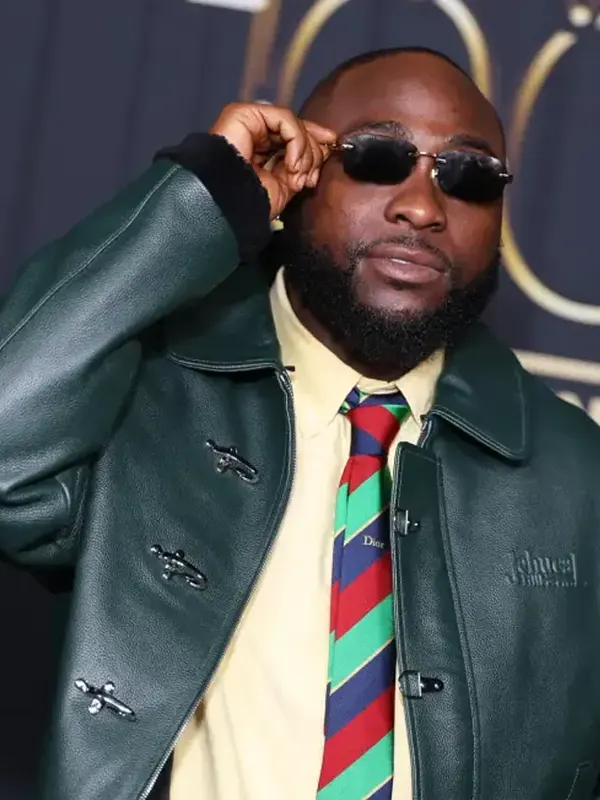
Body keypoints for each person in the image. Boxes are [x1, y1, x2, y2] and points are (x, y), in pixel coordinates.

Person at [0, 45, 599, 800]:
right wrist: (206, 200)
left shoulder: (578, 475)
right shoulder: (145, 396)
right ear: (302, 173)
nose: (422, 206)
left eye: (469, 176)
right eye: (378, 158)